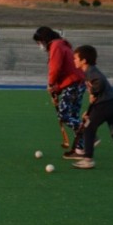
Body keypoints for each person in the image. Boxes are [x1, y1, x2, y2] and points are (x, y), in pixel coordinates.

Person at [71, 45, 113, 170]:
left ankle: (88, 159)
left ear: (83, 60)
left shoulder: (91, 71)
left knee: (88, 128)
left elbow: (99, 83)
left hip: (105, 105)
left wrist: (94, 92)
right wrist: (89, 110)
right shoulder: (91, 71)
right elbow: (95, 95)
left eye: (76, 58)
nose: (74, 60)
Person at [33, 26, 87, 158]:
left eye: (39, 42)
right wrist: (56, 91)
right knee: (74, 115)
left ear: (45, 39)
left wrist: (51, 85)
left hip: (73, 84)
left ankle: (88, 134)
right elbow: (63, 70)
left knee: (64, 115)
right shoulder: (62, 44)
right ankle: (80, 150)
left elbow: (55, 69)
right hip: (78, 83)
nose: (39, 45)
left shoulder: (56, 46)